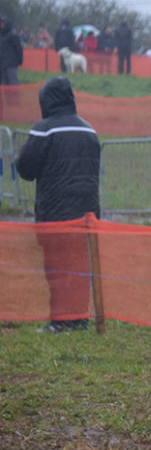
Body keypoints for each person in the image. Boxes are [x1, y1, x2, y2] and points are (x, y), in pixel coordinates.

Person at [15, 77, 101, 333]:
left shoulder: (45, 130)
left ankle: (60, 322)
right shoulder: (90, 130)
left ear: (46, 101)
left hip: (55, 213)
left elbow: (26, 169)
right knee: (80, 267)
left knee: (57, 268)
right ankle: (80, 320)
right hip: (87, 213)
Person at [0, 14, 23, 85]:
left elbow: (18, 49)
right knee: (5, 84)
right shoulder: (1, 36)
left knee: (13, 84)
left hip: (11, 64)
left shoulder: (13, 35)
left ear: (7, 24)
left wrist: (19, 60)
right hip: (3, 64)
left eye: (3, 23)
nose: (1, 24)